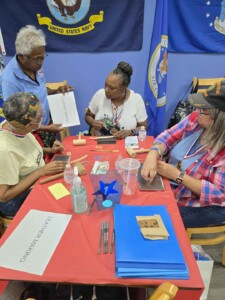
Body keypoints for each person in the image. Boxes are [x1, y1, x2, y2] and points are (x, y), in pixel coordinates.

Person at [141, 81, 225, 228]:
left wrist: (177, 176)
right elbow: (168, 136)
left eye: (202, 110)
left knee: (157, 220)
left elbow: (219, 194)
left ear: (218, 119)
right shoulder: (195, 120)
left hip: (198, 204)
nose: (196, 111)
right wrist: (152, 155)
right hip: (170, 183)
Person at [1, 25, 73, 150]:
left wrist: (55, 91)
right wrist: (46, 128)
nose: (42, 62)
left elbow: (39, 89)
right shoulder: (9, 80)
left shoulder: (35, 66)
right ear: (22, 57)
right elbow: (15, 121)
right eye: (38, 59)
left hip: (46, 126)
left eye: (43, 57)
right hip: (29, 136)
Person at [0, 92, 67, 217]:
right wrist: (40, 172)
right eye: (40, 118)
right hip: (13, 200)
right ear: (30, 125)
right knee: (62, 205)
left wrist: (49, 150)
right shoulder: (5, 150)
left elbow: (24, 153)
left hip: (37, 179)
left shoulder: (16, 124)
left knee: (68, 185)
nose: (41, 120)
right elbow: (3, 196)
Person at [85, 61, 148, 139]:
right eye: (105, 85)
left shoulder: (136, 99)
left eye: (111, 88)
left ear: (123, 88)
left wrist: (129, 132)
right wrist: (92, 122)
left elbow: (143, 127)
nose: (106, 90)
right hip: (100, 145)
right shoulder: (100, 94)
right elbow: (88, 116)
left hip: (126, 145)